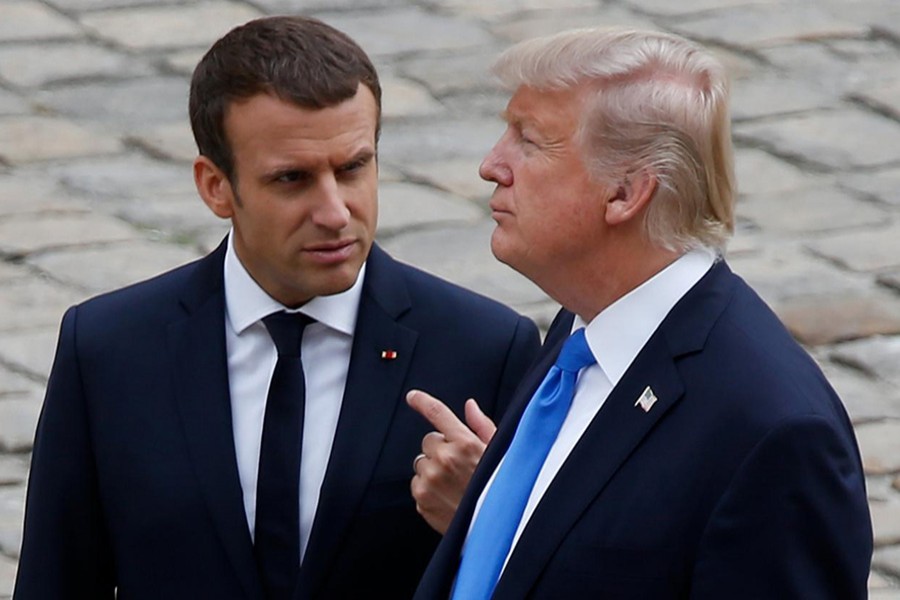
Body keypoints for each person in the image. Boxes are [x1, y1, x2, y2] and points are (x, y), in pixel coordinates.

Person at [13, 16, 541, 600]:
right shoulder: (109, 349)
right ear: (216, 186)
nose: (335, 212)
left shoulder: (484, 350)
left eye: (353, 168)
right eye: (292, 179)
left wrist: (485, 521)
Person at [411, 27, 873, 599]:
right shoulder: (583, 324)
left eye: (528, 141)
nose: (491, 165)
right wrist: (492, 514)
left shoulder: (774, 434)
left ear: (624, 193)